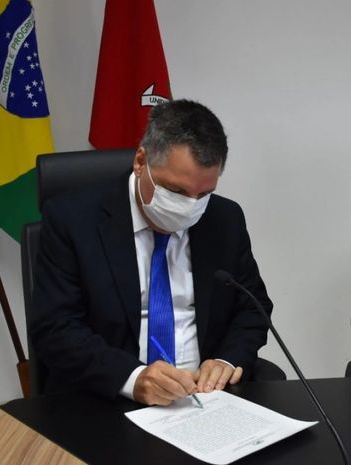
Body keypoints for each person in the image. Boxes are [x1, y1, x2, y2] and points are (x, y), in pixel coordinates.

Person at [30, 99, 272, 406]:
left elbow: (253, 307)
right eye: (177, 191)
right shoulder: (72, 219)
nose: (189, 207)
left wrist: (227, 360)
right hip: (108, 398)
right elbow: (55, 328)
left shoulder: (224, 219)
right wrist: (132, 379)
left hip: (207, 399)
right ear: (140, 161)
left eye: (204, 194)